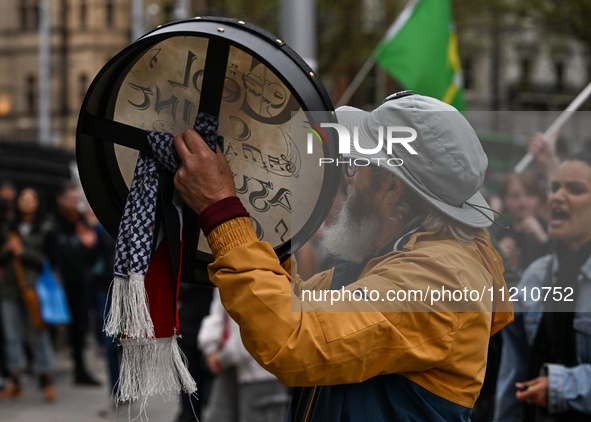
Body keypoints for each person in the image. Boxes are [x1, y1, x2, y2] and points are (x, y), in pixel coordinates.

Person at [173, 93, 513, 421]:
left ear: (393, 188)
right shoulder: (397, 259)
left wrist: (221, 210)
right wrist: (251, 199)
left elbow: (293, 339)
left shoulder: (440, 276)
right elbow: (287, 302)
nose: (349, 176)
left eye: (358, 164)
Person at [494, 151, 591, 421]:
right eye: (555, 187)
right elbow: (513, 377)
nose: (558, 196)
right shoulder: (535, 278)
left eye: (575, 189)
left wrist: (563, 387)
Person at [199, 288, 290, 422]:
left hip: (262, 370)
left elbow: (254, 330)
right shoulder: (226, 270)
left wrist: (221, 358)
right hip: (228, 366)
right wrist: (210, 348)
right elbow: (218, 311)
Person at [0, 187, 56, 401]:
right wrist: (6, 249)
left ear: (38, 202)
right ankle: (15, 379)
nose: (27, 201)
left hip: (35, 289)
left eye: (32, 198)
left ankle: (47, 380)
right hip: (9, 289)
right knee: (11, 335)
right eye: (23, 198)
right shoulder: (7, 228)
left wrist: (24, 251)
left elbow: (49, 261)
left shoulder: (46, 228)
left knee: (38, 334)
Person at [47, 182, 101, 386]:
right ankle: (47, 372)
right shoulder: (52, 223)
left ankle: (79, 371)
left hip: (79, 283)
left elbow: (93, 256)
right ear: (60, 199)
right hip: (58, 284)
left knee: (79, 328)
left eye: (76, 199)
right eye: (70, 198)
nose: (74, 202)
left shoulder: (82, 223)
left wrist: (90, 245)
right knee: (53, 326)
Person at [491, 171, 552, 274]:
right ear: (504, 199)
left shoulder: (551, 229)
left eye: (529, 195)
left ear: (538, 198)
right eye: (515, 196)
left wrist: (545, 241)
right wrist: (495, 256)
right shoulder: (495, 232)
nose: (523, 202)